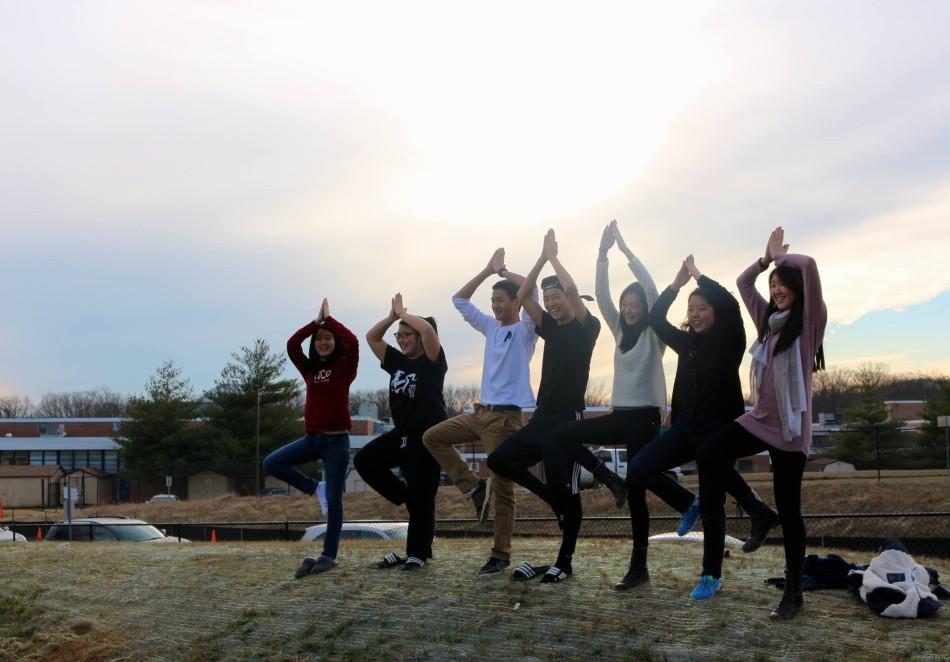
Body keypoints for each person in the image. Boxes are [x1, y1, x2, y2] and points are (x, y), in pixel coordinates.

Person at [618, 253, 776, 591]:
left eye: (701, 308)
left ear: (714, 313)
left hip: (717, 433)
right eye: (691, 310)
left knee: (715, 504)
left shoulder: (729, 340)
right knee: (639, 468)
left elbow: (731, 304)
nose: (695, 314)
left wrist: (698, 276)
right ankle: (704, 505)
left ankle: (710, 575)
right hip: (683, 429)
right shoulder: (686, 342)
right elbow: (657, 318)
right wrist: (676, 285)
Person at [552, 220, 695, 590]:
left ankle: (639, 566)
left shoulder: (653, 332)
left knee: (638, 490)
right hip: (619, 414)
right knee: (564, 435)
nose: (629, 309)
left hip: (645, 416)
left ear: (643, 307)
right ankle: (608, 478)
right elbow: (600, 294)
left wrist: (625, 249)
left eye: (634, 305)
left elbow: (648, 285)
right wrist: (601, 255)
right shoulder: (617, 329)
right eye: (626, 304)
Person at [693, 227, 826, 620]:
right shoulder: (767, 321)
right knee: (708, 454)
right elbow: (741, 282)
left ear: (797, 288)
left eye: (783, 283)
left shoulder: (809, 323)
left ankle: (793, 590)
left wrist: (782, 259)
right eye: (773, 284)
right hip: (758, 420)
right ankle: (756, 510)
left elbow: (810, 265)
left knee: (791, 511)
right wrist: (765, 260)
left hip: (789, 430)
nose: (776, 288)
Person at [486, 229, 601, 584]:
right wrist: (536, 260)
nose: (551, 303)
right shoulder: (549, 329)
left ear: (570, 300)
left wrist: (553, 257)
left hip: (568, 421)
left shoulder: (587, 327)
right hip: (541, 417)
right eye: (548, 298)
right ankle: (550, 497)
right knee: (498, 460)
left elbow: (570, 291)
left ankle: (564, 562)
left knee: (570, 490)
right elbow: (522, 295)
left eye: (557, 298)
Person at [422, 248, 538, 576]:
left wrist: (505, 272)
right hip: (480, 413)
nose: (495, 305)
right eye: (493, 301)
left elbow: (534, 289)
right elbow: (459, 300)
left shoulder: (526, 330)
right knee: (433, 437)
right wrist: (487, 271)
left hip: (504, 419)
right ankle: (473, 487)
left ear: (516, 302)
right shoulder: (489, 327)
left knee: (504, 488)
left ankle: (501, 554)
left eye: (501, 300)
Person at [263, 298, 358, 577]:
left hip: (336, 442)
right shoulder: (310, 370)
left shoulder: (344, 367)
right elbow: (293, 344)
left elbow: (352, 341)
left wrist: (330, 321)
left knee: (335, 502)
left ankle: (329, 555)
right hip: (313, 439)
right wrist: (315, 324)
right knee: (271, 463)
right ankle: (313, 487)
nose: (323, 342)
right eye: (319, 339)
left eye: (328, 338)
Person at [354, 293, 447, 571]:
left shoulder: (432, 363)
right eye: (399, 335)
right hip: (401, 435)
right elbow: (371, 337)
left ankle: (418, 554)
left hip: (428, 438)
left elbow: (429, 330)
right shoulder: (397, 362)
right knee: (364, 461)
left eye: (408, 334)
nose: (402, 339)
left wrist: (405, 315)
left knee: (424, 497)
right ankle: (404, 496)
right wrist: (393, 317)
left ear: (420, 336)